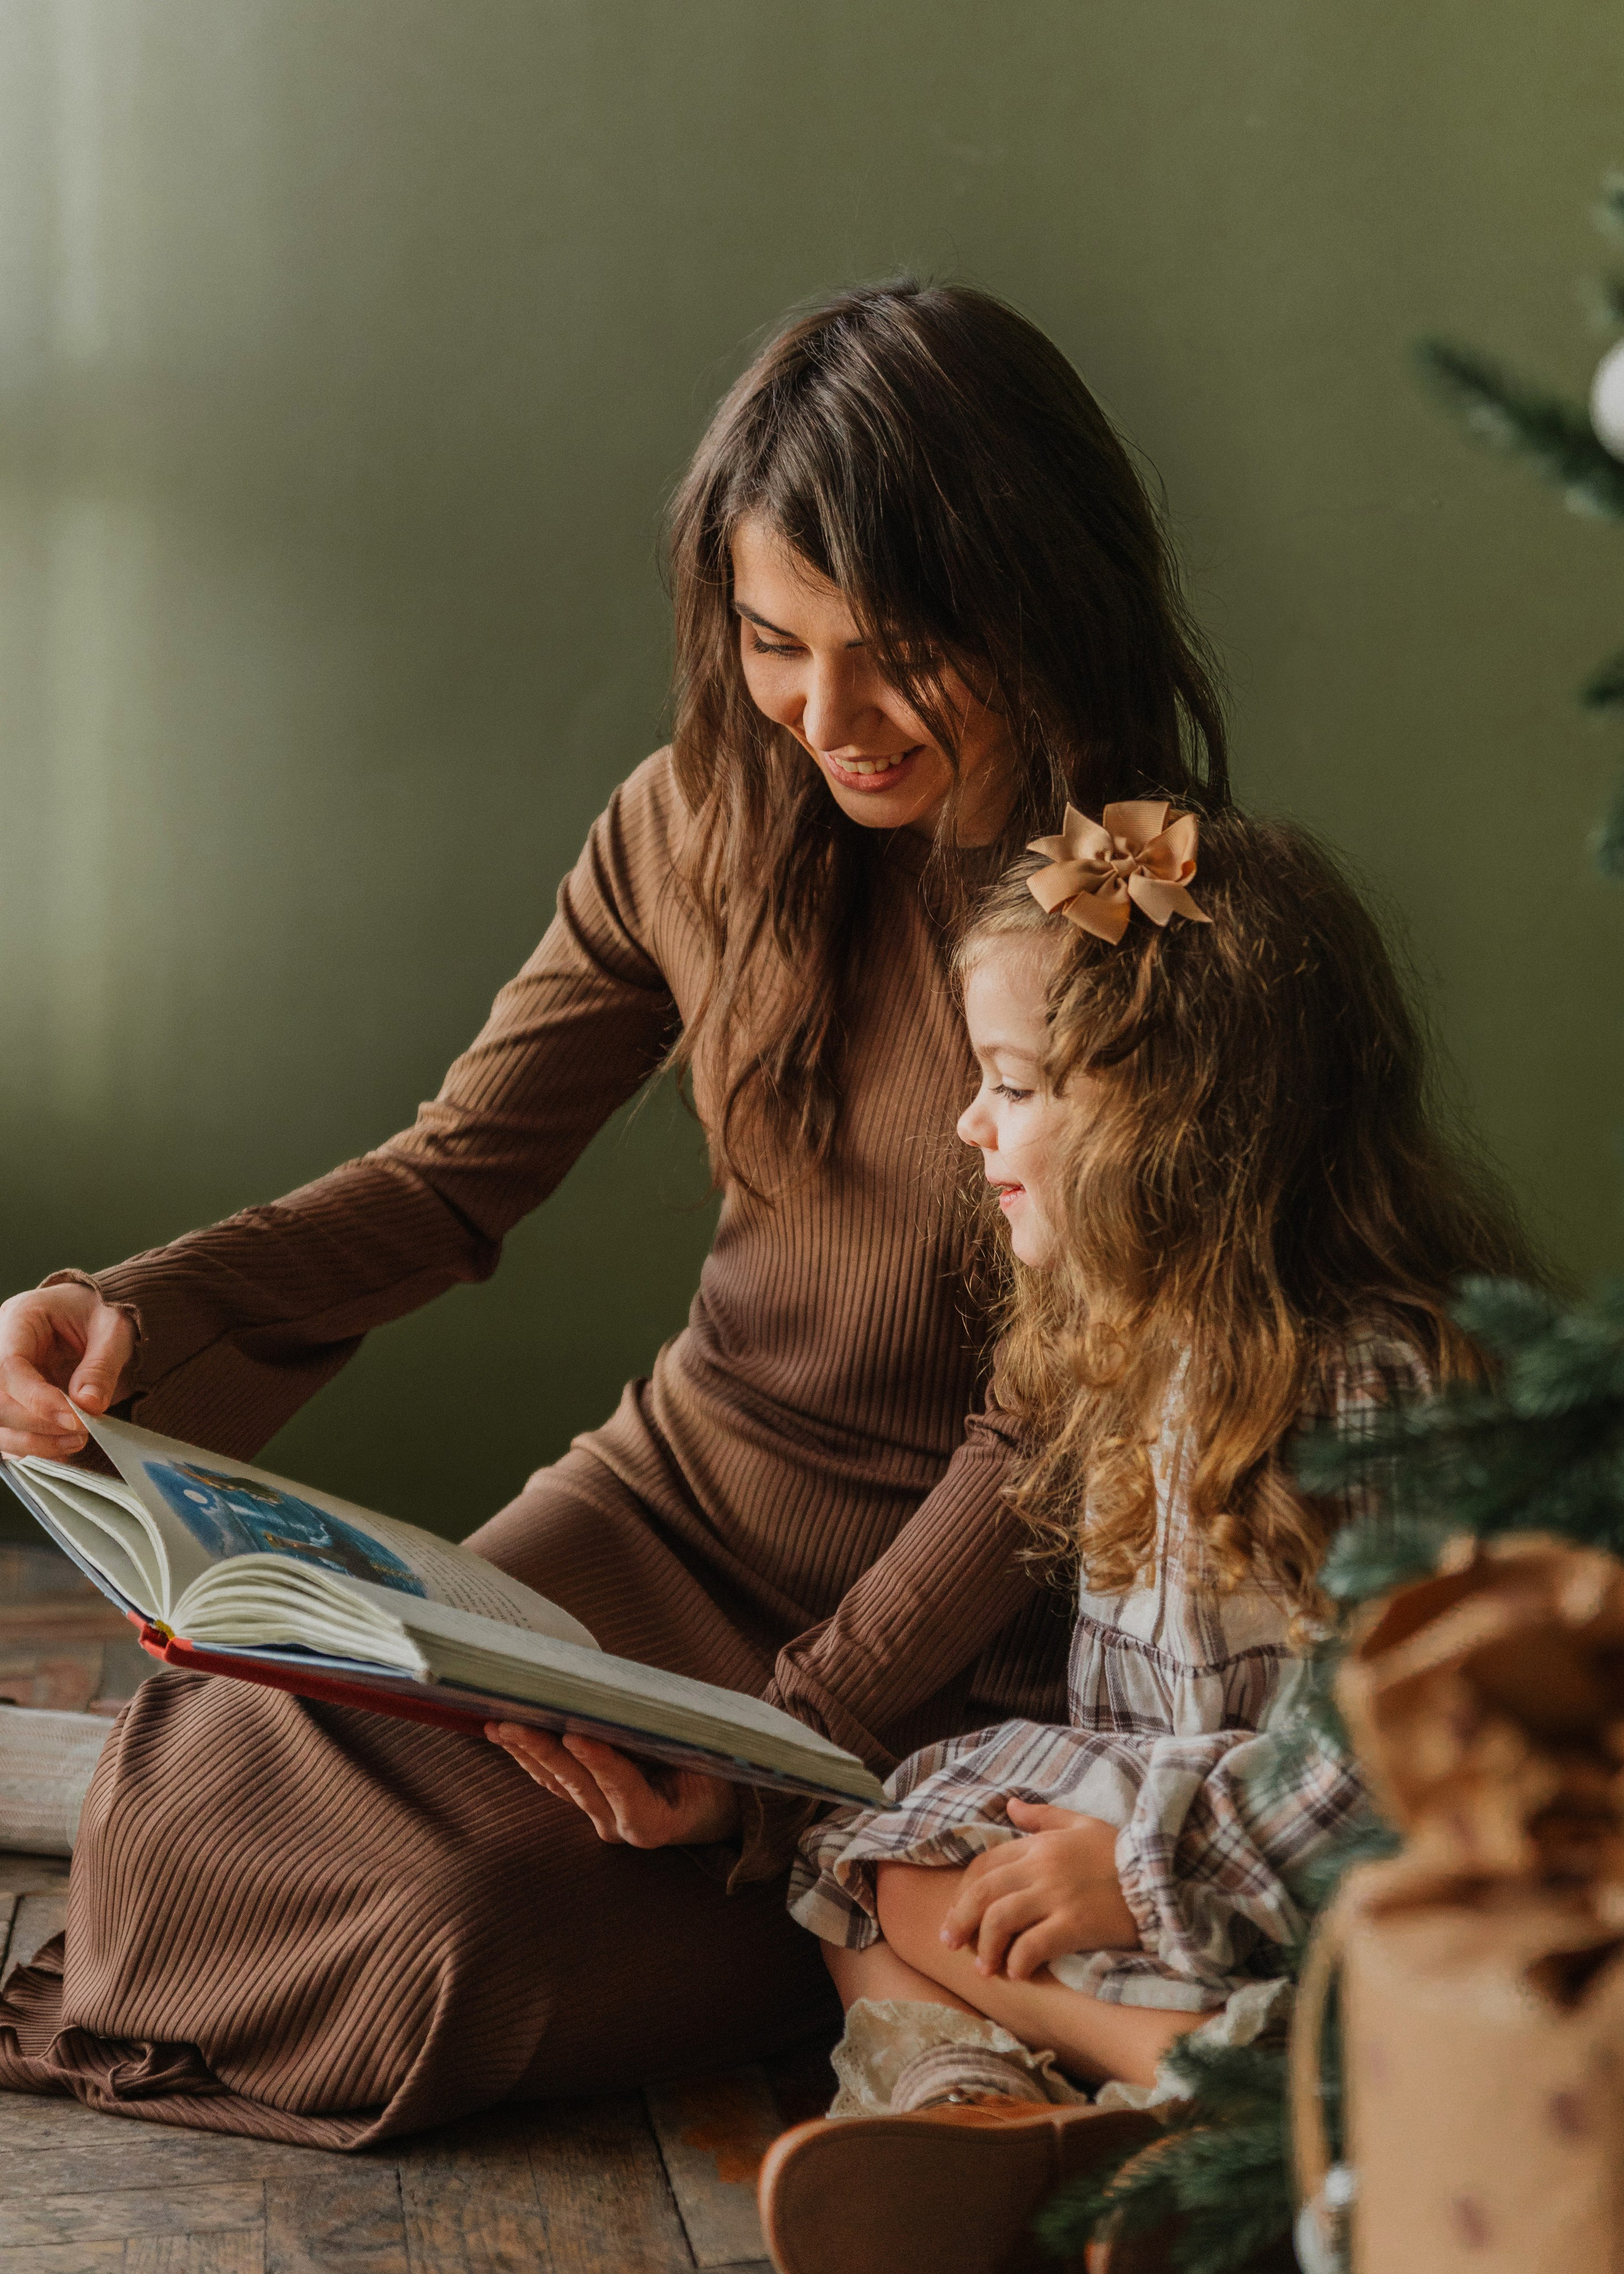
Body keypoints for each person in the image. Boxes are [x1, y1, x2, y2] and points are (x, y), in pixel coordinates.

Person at [0, 280, 1231, 2146]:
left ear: (1035, 608)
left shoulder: (1150, 909)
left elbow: (1052, 1406)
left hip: (941, 1636)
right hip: (662, 1508)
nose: (832, 716)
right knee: (196, 1781)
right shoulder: (689, 825)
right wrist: (143, 1306)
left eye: (895, 651)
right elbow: (449, 1177)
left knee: (452, 1940)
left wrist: (775, 1760)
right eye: (772, 641)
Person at [744, 806, 1541, 2273]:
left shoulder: (1367, 1378)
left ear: (1173, 1116)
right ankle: (979, 2101)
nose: (971, 1125)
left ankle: (1201, 2092)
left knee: (936, 1873)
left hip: (1296, 1877)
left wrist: (1145, 1867)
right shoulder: (1130, 1351)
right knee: (868, 1847)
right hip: (1143, 1848)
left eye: (1014, 1086)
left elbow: (1392, 1747)